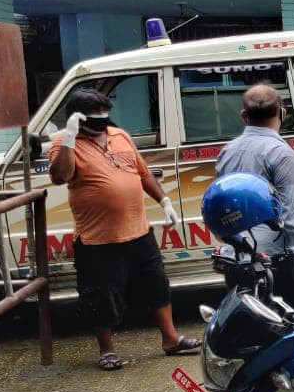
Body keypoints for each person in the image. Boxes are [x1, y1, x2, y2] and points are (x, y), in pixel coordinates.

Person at [48, 89, 200, 371]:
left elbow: (142, 174)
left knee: (157, 285)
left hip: (138, 231)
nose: (103, 120)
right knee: (102, 295)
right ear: (78, 118)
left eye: (106, 114)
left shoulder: (121, 136)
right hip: (98, 239)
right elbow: (60, 176)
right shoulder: (64, 144)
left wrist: (164, 201)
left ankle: (170, 339)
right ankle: (107, 350)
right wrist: (69, 137)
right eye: (96, 116)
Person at [215, 83, 294, 309]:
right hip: (275, 265)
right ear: (282, 113)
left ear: (243, 116)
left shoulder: (227, 152)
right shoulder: (280, 153)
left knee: (254, 334)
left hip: (237, 261)